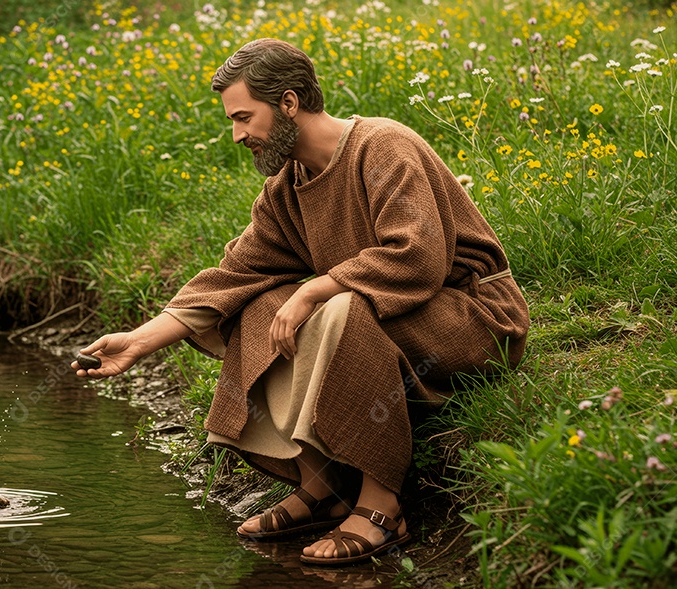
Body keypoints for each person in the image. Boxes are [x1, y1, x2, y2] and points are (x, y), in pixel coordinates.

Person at [71, 38, 529, 566]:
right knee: (258, 306)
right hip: (401, 320)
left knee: (339, 307)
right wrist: (139, 342)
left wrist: (315, 287)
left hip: (474, 318)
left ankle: (382, 503)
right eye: (232, 121)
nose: (238, 135)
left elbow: (418, 257)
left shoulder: (382, 146)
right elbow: (236, 274)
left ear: (288, 103)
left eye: (244, 117)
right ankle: (323, 487)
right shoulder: (288, 186)